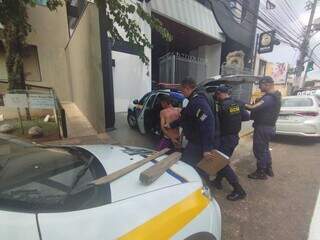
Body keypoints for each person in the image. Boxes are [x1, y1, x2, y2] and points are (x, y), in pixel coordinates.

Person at [166, 77, 217, 179]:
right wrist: (171, 125)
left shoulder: (198, 101)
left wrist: (207, 148)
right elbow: (186, 116)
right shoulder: (195, 98)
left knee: (187, 165)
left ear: (187, 88)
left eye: (181, 90)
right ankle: (200, 182)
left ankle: (194, 186)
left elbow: (208, 123)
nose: (181, 93)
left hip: (198, 142)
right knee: (199, 167)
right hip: (197, 140)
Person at [212, 84, 249, 201]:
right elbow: (246, 117)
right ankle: (218, 181)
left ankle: (239, 190)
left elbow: (215, 124)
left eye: (216, 95)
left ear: (219, 94)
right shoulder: (236, 104)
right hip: (234, 138)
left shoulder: (220, 106)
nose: (216, 97)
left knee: (222, 163)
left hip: (224, 139)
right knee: (223, 160)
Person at [245, 76, 282, 180]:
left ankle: (261, 172)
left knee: (259, 150)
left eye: (260, 84)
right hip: (269, 127)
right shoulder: (275, 95)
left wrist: (240, 103)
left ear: (267, 84)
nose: (259, 87)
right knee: (265, 149)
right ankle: (268, 169)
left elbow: (252, 107)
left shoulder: (269, 98)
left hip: (263, 128)